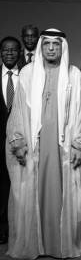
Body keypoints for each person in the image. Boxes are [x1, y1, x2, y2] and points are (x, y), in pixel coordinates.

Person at [5, 28, 81, 259]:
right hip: (35, 146)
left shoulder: (74, 74)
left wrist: (79, 144)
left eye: (55, 45)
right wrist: (18, 140)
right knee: (31, 192)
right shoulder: (27, 73)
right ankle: (36, 244)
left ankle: (61, 243)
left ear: (62, 47)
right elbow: (17, 110)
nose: (51, 48)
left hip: (63, 147)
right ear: (40, 47)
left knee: (67, 194)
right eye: (46, 44)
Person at [0, 36, 23, 245]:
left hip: (18, 142)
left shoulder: (26, 76)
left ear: (20, 52)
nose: (10, 53)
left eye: (14, 50)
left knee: (16, 187)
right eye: (6, 50)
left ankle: (14, 229)